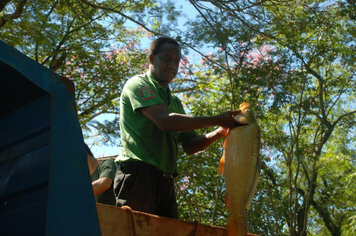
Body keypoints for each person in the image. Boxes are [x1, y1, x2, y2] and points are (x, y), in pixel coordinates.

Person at [114, 37, 240, 218]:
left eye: (177, 60)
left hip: (166, 181)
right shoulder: (138, 85)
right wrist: (217, 119)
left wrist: (219, 132)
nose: (173, 65)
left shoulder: (175, 102)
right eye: (167, 59)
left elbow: (189, 145)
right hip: (138, 175)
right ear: (151, 58)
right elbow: (165, 122)